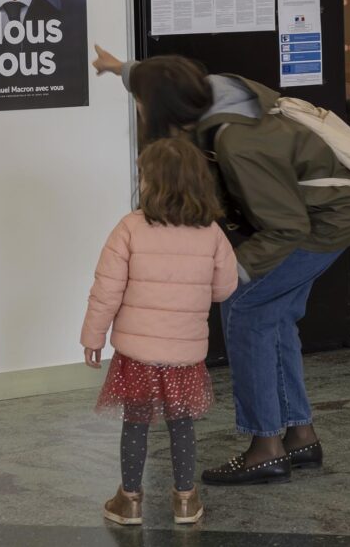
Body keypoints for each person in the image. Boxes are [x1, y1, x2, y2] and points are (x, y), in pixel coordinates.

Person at [92, 45, 350, 486]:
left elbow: (287, 228)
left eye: (142, 103)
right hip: (326, 211)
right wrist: (119, 69)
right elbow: (166, 78)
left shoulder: (238, 143)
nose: (141, 110)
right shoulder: (213, 90)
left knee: (245, 310)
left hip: (324, 221)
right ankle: (299, 435)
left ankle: (265, 447)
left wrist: (225, 274)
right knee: (273, 316)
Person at [81, 137, 238, 525]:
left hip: (137, 353)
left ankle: (129, 500)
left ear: (150, 182)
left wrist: (93, 336)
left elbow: (106, 289)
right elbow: (225, 289)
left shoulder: (129, 228)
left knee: (135, 422)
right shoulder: (212, 233)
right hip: (184, 354)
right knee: (181, 424)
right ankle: (185, 499)